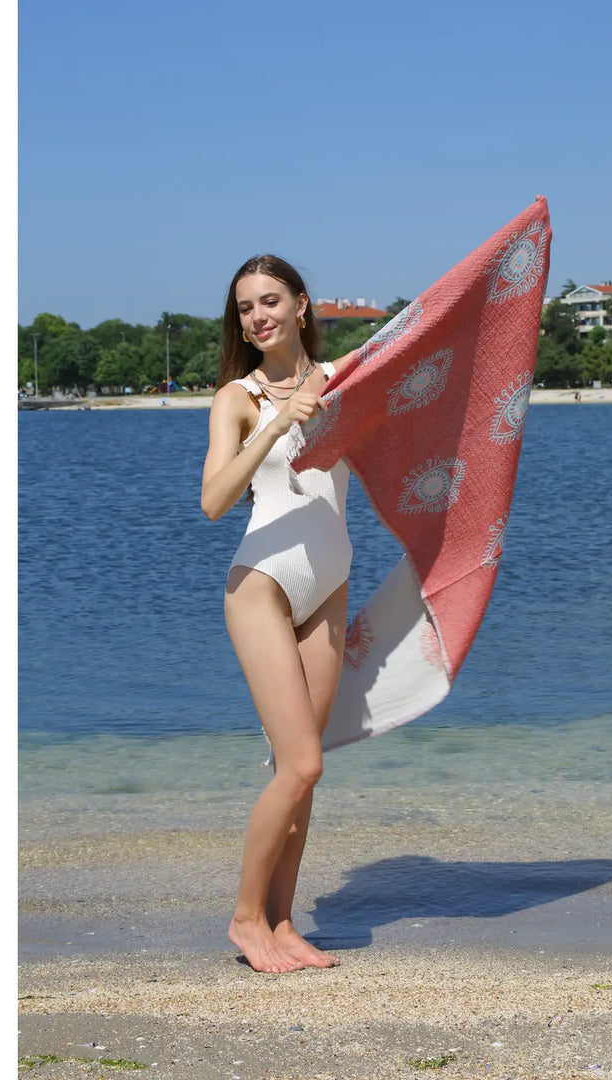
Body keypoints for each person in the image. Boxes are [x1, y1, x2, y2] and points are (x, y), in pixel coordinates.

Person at [201, 255, 354, 974]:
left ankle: (284, 921)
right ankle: (244, 919)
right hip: (261, 583)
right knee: (301, 761)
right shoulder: (237, 396)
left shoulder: (344, 377)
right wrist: (274, 423)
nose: (257, 316)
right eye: (244, 308)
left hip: (329, 585)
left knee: (305, 773)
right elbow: (213, 501)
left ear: (300, 305)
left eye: (270, 301)